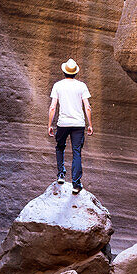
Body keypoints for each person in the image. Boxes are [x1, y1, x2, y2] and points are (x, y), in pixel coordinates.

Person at [47, 58, 92, 193]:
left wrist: (49, 124)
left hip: (63, 123)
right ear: (75, 72)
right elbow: (87, 107)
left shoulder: (58, 85)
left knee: (60, 147)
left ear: (64, 71)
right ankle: (76, 184)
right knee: (77, 152)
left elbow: (53, 107)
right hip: (78, 124)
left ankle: (61, 174)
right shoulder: (82, 86)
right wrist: (90, 124)